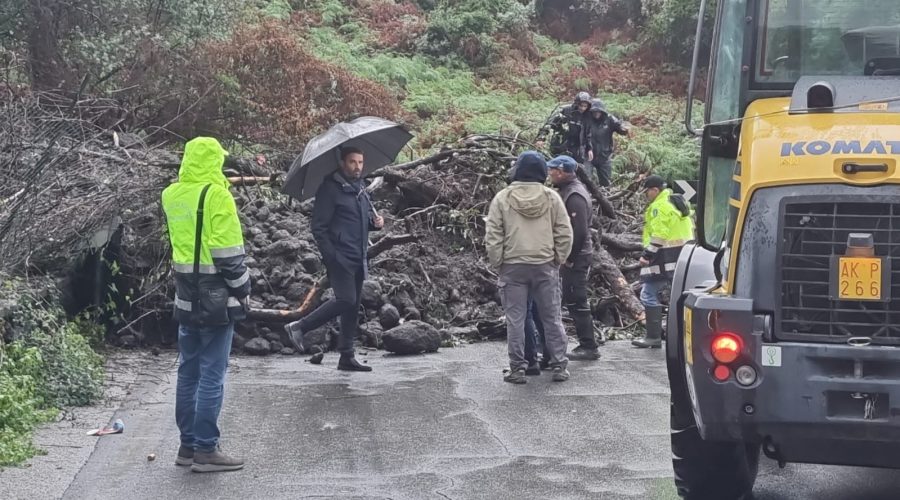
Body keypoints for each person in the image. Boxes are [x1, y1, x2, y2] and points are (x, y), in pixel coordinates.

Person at [161, 137, 250, 473]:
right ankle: (206, 450)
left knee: (188, 371)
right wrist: (244, 289)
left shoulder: (170, 195)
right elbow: (228, 255)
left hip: (185, 294)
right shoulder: (218, 196)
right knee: (213, 373)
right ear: (213, 161)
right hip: (216, 298)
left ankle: (186, 447)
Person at [285, 146, 384, 371]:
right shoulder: (329, 190)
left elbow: (358, 222)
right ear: (342, 163)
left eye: (360, 162)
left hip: (358, 256)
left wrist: (374, 224)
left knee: (352, 306)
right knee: (346, 300)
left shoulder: (359, 188)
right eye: (352, 162)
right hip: (340, 257)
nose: (357, 167)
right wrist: (331, 256)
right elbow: (318, 227)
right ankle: (299, 326)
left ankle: (346, 356)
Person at [485, 151, 573, 384]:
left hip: (513, 266)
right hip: (544, 265)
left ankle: (518, 369)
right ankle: (559, 366)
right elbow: (564, 232)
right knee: (552, 317)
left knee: (515, 319)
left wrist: (498, 262)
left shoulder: (502, 198)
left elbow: (493, 234)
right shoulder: (552, 198)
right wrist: (558, 258)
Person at [547, 155, 600, 360]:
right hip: (574, 254)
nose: (549, 173)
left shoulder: (575, 195)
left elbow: (578, 232)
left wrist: (568, 257)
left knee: (576, 299)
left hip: (577, 256)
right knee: (570, 298)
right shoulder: (568, 190)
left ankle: (589, 345)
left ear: (561, 172)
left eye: (552, 170)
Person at [633, 175, 694, 348]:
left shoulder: (659, 207)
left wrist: (647, 255)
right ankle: (679, 335)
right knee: (680, 296)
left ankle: (653, 337)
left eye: (647, 192)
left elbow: (659, 234)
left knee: (647, 293)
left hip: (662, 257)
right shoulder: (677, 201)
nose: (646, 196)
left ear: (655, 190)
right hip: (681, 256)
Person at [537, 91, 594, 164]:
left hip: (577, 149)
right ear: (577, 104)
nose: (582, 108)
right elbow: (550, 123)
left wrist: (589, 148)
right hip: (560, 145)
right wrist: (541, 138)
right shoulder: (566, 111)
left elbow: (588, 134)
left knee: (575, 171)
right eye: (581, 105)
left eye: (585, 106)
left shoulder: (587, 116)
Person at [587, 99, 629, 187]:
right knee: (587, 180)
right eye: (594, 111)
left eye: (598, 111)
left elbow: (620, 128)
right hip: (588, 155)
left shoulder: (609, 119)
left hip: (604, 156)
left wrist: (623, 128)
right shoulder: (587, 119)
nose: (596, 113)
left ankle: (605, 198)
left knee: (605, 183)